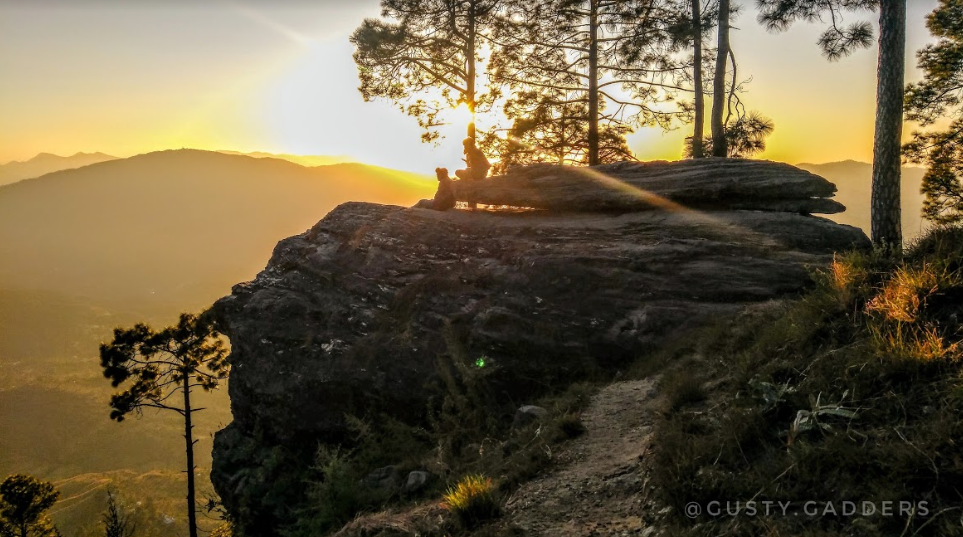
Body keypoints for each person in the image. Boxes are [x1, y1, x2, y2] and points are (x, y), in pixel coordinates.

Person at [455, 137, 490, 209]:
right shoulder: (470, 153)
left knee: (458, 172)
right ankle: (468, 179)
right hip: (475, 173)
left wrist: (476, 172)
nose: (465, 147)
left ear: (470, 144)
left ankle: (468, 181)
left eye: (465, 145)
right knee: (459, 172)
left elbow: (487, 165)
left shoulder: (476, 152)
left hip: (479, 174)